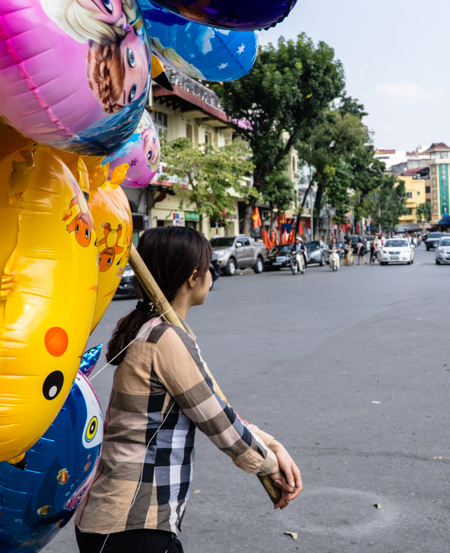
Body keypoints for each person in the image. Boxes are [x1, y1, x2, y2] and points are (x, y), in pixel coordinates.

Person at [75, 227, 302, 552]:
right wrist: (271, 464)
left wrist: (273, 444)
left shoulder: (158, 331)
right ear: (194, 277)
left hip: (118, 522)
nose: (211, 274)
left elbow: (217, 406)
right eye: (207, 267)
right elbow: (219, 424)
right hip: (130, 525)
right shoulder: (164, 339)